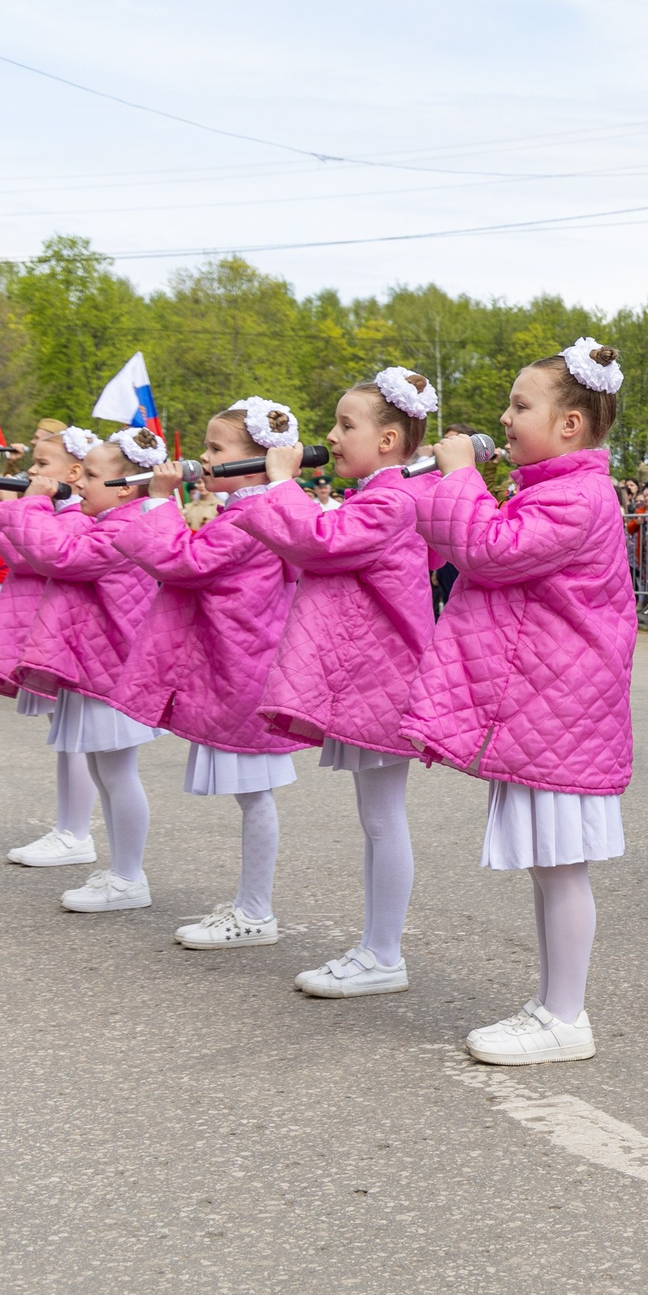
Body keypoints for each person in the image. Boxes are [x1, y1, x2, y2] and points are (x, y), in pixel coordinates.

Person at [410, 339, 639, 1066]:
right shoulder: (552, 489)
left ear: (570, 425)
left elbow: (488, 549)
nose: (504, 418)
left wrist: (459, 477)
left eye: (520, 406)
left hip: (561, 708)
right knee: (551, 864)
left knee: (562, 863)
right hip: (547, 707)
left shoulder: (577, 496)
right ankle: (551, 1005)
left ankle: (565, 1016)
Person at [228, 367, 442, 1000]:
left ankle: (383, 952)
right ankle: (377, 948)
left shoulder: (392, 498)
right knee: (377, 818)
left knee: (382, 820)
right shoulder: (384, 493)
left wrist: (281, 483)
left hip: (383, 678)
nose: (330, 435)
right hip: (367, 678)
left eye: (346, 425)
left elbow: (320, 541)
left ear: (388, 439)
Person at [110, 397, 315, 950]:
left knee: (254, 793)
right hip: (240, 659)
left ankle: (255, 910)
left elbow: (183, 561)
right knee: (253, 794)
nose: (203, 458)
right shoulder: (248, 512)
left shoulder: (250, 517)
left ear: (256, 462)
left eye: (215, 449)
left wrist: (158, 502)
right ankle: (251, 903)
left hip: (243, 664)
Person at [0, 429, 166, 913]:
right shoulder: (112, 519)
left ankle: (130, 876)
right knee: (102, 768)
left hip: (109, 666)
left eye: (92, 475)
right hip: (94, 661)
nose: (82, 483)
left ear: (128, 486)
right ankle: (120, 870)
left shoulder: (124, 527)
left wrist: (30, 504)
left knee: (117, 773)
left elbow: (59, 555)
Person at [0, 424, 101, 868]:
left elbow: (30, 559)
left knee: (80, 743)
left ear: (75, 470)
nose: (31, 471)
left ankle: (76, 831)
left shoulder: (78, 516)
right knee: (67, 740)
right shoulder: (56, 512)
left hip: (73, 636)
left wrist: (18, 508)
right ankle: (67, 827)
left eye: (42, 464)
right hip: (53, 629)